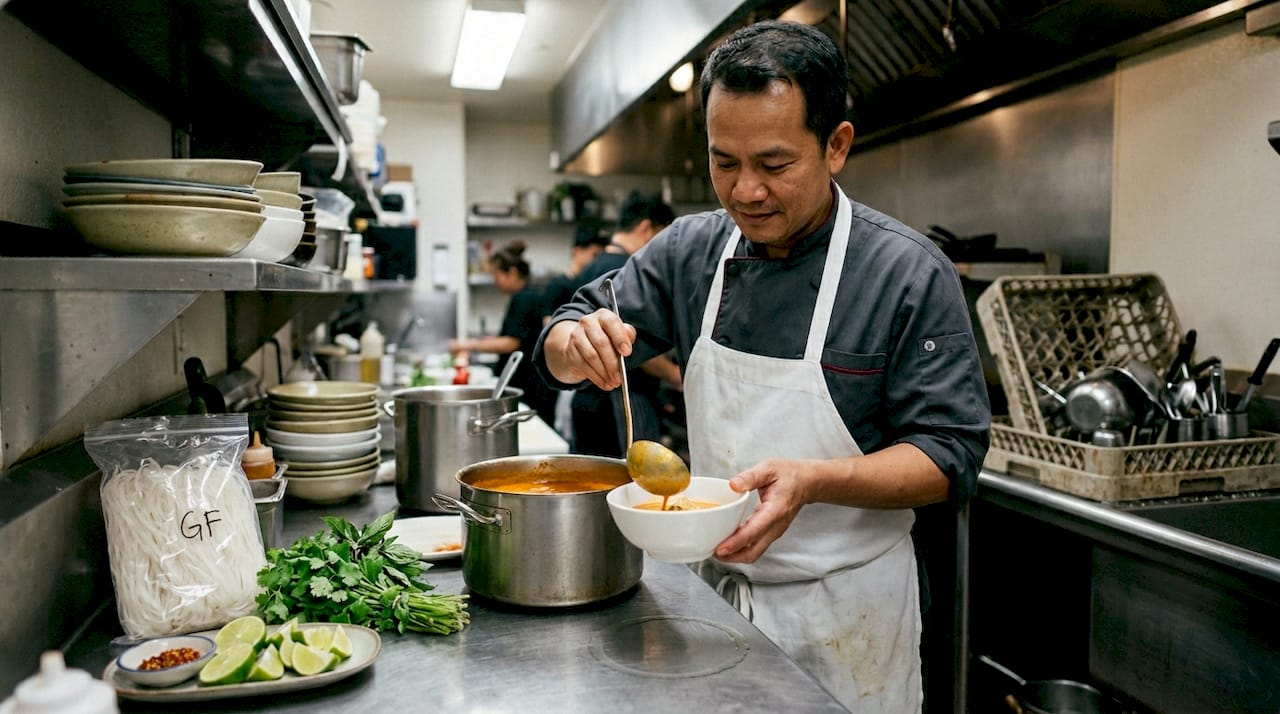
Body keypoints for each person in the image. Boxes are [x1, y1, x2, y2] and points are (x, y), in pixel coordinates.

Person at [534, 20, 989, 713]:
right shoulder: (690, 252)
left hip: (848, 622)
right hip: (708, 604)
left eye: (775, 165)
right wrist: (574, 344)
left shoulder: (906, 274)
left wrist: (816, 481)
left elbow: (950, 455)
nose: (745, 191)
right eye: (724, 163)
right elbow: (563, 330)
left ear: (836, 146)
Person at [565, 192, 680, 457]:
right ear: (645, 228)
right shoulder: (628, 270)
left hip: (585, 399)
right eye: (663, 238)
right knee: (631, 479)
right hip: (622, 402)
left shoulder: (592, 265)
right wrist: (675, 376)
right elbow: (628, 344)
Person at [449, 241, 557, 425]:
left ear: (512, 273)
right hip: (530, 382)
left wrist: (467, 345)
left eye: (496, 275)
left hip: (529, 384)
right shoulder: (526, 295)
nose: (494, 281)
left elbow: (511, 343)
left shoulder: (525, 298)